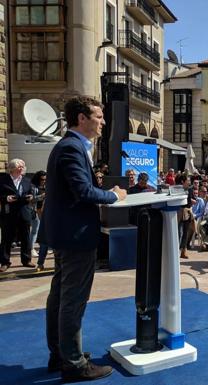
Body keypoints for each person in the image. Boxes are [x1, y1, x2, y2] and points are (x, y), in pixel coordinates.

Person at [45, 96, 126, 382]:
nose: (103, 121)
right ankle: (73, 363)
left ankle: (61, 354)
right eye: (98, 116)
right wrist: (114, 196)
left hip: (67, 234)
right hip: (76, 236)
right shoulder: (71, 148)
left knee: (60, 297)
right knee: (72, 301)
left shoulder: (71, 147)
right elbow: (84, 192)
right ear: (82, 118)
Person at [0, 158, 35, 271]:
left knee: (25, 237)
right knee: (7, 238)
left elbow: (31, 193)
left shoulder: (27, 181)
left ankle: (26, 260)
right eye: (19, 166)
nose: (21, 169)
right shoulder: (3, 180)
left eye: (22, 167)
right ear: (12, 168)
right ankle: (5, 262)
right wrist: (6, 198)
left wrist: (31, 197)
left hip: (24, 212)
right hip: (9, 213)